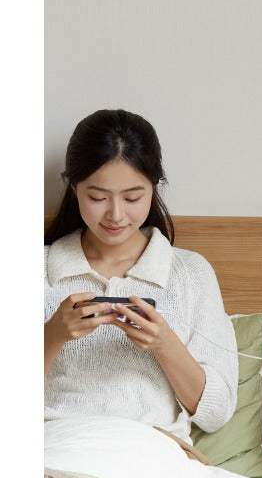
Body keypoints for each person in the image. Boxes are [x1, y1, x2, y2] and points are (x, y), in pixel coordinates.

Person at [44, 109, 237, 442]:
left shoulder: (190, 274)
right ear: (73, 188)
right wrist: (52, 335)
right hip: (58, 451)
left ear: (154, 187)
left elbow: (216, 414)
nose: (116, 215)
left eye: (133, 198)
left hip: (152, 453)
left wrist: (164, 344)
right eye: (97, 197)